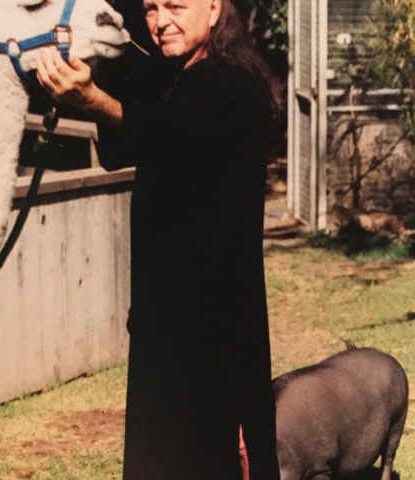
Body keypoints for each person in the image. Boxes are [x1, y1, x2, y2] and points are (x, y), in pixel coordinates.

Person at [36, 0, 281, 478]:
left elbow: (167, 131)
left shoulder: (236, 84)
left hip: (217, 342)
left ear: (214, 9)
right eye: (151, 7)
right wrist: (92, 69)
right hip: (160, 330)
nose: (160, 20)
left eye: (175, 5)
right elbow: (120, 147)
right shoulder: (173, 80)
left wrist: (92, 99)